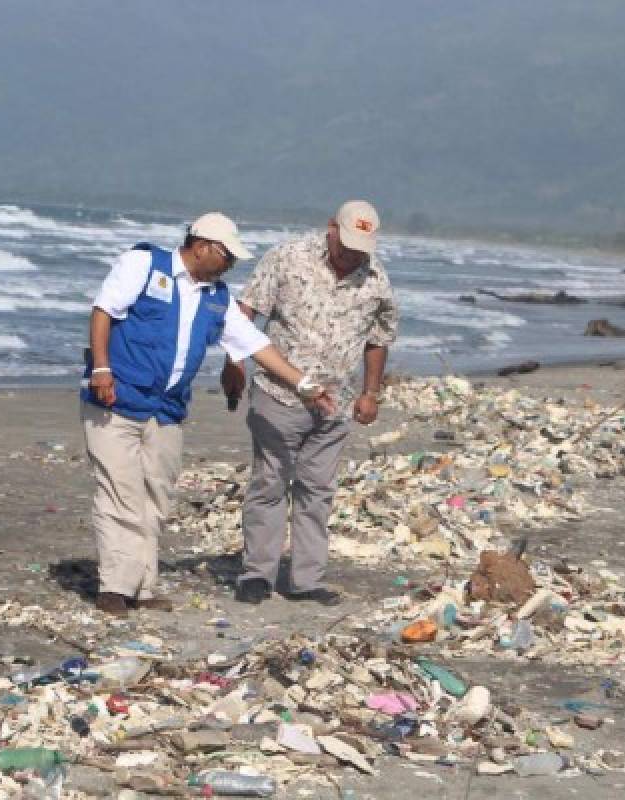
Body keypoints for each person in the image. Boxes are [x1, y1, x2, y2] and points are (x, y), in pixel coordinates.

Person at [82, 212, 332, 616]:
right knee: (120, 494)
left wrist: (304, 385)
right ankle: (114, 587)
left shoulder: (217, 298)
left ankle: (142, 587)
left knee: (155, 497)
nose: (230, 265)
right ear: (202, 247)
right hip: (117, 398)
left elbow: (255, 345)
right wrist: (101, 368)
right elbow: (103, 311)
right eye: (226, 256)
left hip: (166, 409)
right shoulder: (144, 265)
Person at [223, 200, 399, 606]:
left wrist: (371, 393)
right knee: (269, 483)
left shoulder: (376, 279)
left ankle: (306, 580)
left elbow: (379, 338)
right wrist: (234, 362)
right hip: (279, 394)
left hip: (336, 402)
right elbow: (245, 311)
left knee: (317, 491)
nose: (352, 255)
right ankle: (257, 574)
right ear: (331, 228)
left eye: (361, 248)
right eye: (347, 244)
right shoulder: (288, 257)